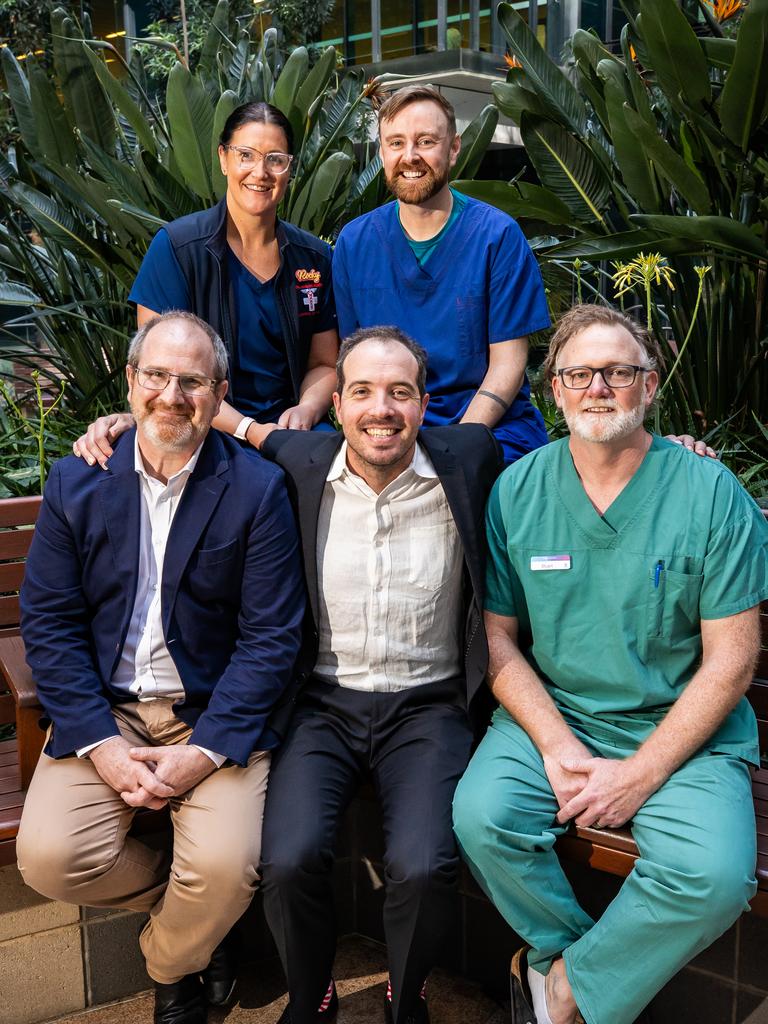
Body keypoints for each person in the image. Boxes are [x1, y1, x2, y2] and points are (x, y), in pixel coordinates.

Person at [452, 304, 768, 1024]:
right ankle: (581, 969)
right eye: (580, 374)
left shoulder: (707, 491)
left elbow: (731, 660)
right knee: (482, 817)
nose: (600, 387)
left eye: (619, 372)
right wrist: (559, 749)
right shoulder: (519, 490)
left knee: (714, 877)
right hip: (557, 717)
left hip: (680, 730)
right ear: (555, 391)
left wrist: (641, 773)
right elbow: (497, 640)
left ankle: (559, 989)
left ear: (650, 386)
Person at [16, 311, 305, 1024]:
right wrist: (102, 745)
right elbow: (48, 626)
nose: (172, 396)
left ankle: (173, 963)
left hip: (208, 717)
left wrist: (205, 752)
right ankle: (205, 930)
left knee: (225, 867)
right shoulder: (76, 483)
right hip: (106, 712)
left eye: (193, 381)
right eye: (157, 377)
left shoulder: (255, 489)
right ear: (131, 381)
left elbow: (271, 637)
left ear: (220, 391)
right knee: (49, 858)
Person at [255, 326, 503, 1024]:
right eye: (362, 391)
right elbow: (229, 429)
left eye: (400, 392)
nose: (381, 408)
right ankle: (313, 998)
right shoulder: (301, 461)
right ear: (337, 405)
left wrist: (671, 449)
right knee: (288, 860)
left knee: (425, 867)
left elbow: (584, 453)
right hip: (323, 705)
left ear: (426, 405)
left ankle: (406, 990)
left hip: (429, 707)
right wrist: (121, 419)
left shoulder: (469, 458)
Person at [74, 100, 338, 462]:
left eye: (275, 159)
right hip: (200, 425)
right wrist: (252, 431)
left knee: (344, 469)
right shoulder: (178, 249)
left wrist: (306, 409)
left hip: (291, 430)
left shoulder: (313, 259)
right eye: (245, 155)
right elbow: (160, 376)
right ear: (223, 158)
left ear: (289, 169)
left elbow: (324, 363)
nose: (260, 171)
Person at [332, 84, 551, 465]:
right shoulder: (355, 242)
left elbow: (508, 364)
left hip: (488, 428)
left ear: (453, 149)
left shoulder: (496, 236)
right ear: (382, 152)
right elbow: (353, 363)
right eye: (396, 143)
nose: (410, 156)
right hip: (390, 426)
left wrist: (456, 447)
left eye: (426, 141)